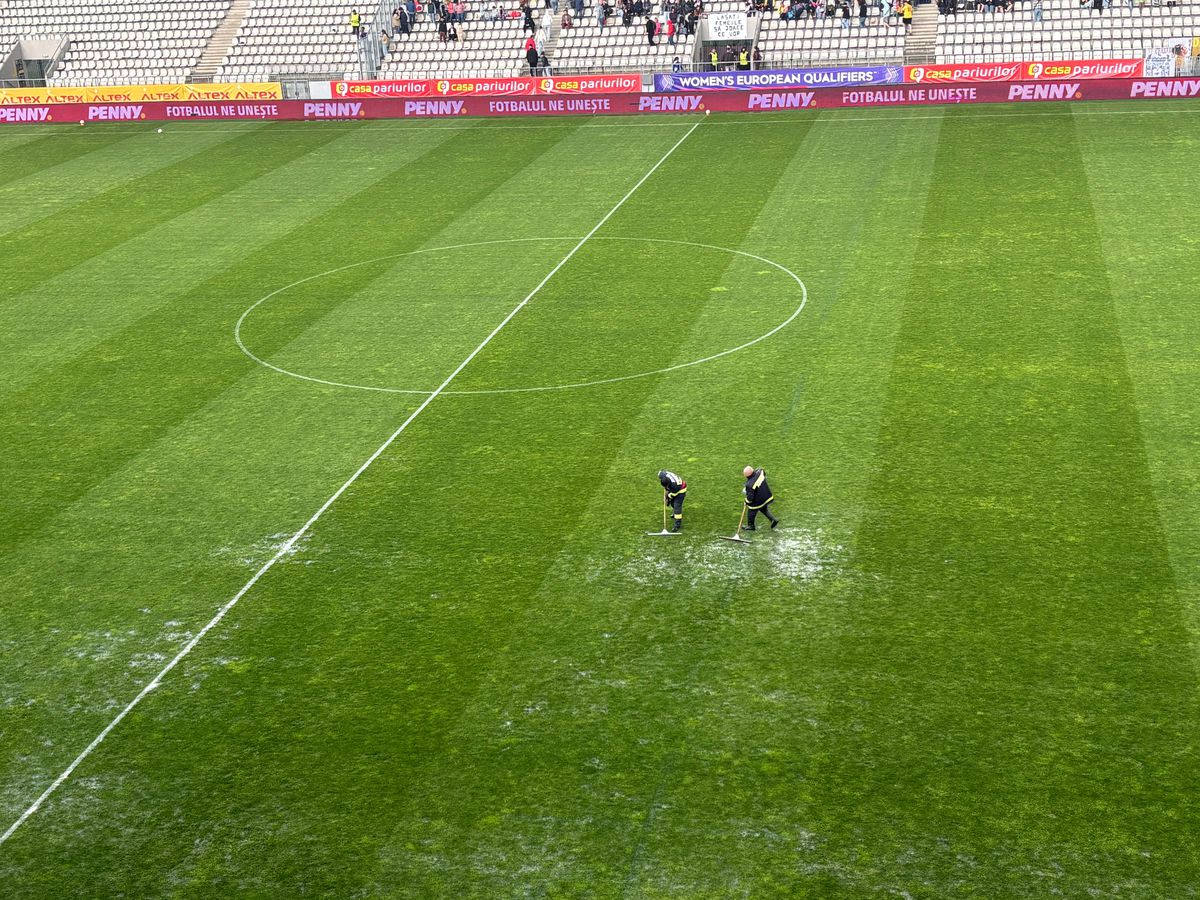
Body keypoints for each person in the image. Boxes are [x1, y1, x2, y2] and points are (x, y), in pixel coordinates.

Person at [742, 466, 778, 530]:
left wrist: (746, 501)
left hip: (758, 500)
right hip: (766, 497)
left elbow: (750, 499)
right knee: (763, 508)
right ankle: (773, 520)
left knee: (751, 511)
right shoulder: (760, 472)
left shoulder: (749, 484)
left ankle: (751, 526)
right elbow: (762, 471)